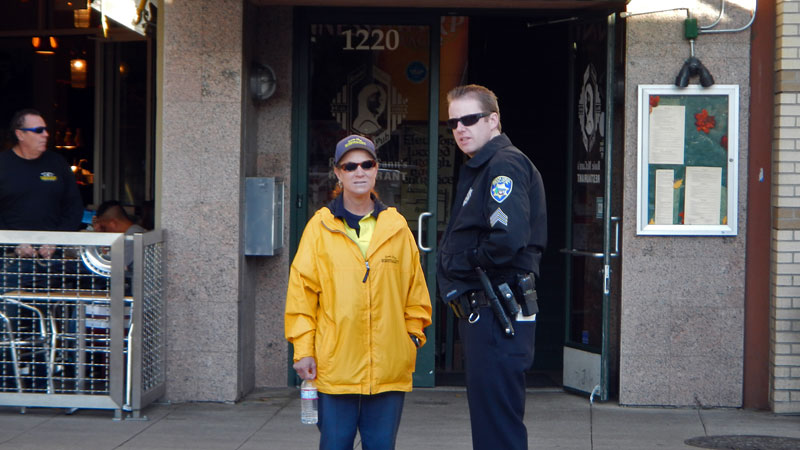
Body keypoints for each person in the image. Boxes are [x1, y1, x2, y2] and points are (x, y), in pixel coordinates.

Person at [285, 134, 432, 450]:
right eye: (350, 166)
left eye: (366, 164)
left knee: (381, 445)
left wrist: (411, 337)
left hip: (389, 366)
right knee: (335, 444)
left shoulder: (396, 227)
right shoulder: (320, 228)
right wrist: (304, 349)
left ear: (377, 169)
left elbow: (415, 292)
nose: (359, 172)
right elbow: (302, 296)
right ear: (337, 173)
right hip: (336, 367)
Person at [436, 85, 547, 450]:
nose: (460, 129)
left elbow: (507, 239)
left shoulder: (503, 164)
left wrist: (461, 265)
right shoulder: (483, 166)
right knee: (491, 422)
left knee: (497, 427)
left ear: (494, 120)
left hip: (497, 310)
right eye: (453, 122)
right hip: (488, 311)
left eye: (470, 119)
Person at [0, 108, 83, 290]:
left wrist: (56, 240)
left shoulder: (57, 163)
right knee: (9, 314)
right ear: (20, 134)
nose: (45, 134)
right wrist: (14, 243)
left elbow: (74, 207)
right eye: (38, 130)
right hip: (9, 261)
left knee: (51, 315)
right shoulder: (3, 165)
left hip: (51, 260)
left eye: (45, 129)